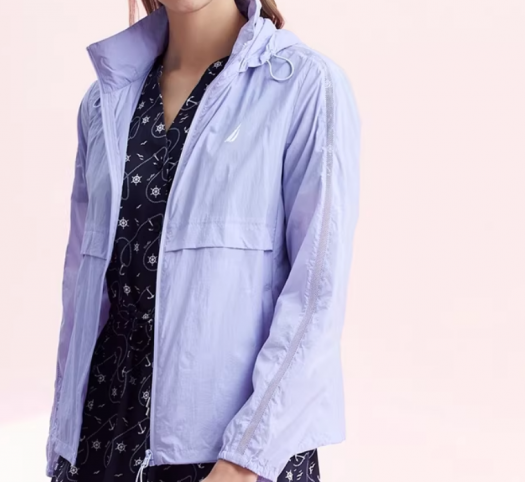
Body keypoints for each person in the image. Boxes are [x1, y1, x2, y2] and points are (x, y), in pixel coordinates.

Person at [46, 0, 361, 481]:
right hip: (99, 447)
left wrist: (242, 463)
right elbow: (81, 292)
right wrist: (61, 449)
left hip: (232, 457)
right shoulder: (104, 99)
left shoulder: (304, 85)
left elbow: (316, 297)